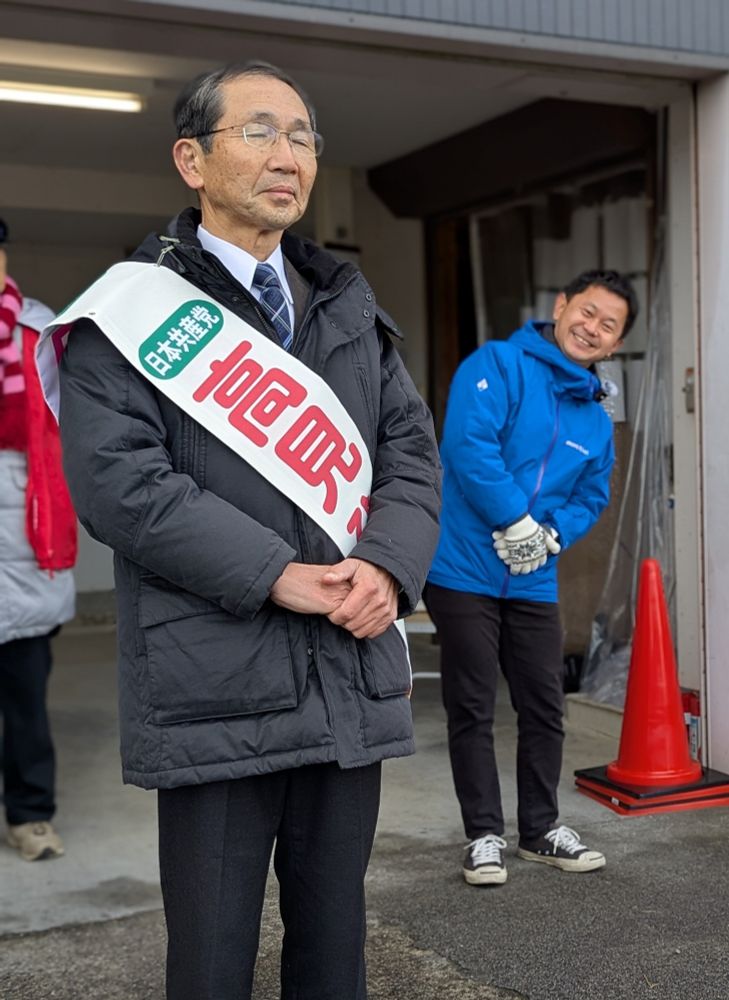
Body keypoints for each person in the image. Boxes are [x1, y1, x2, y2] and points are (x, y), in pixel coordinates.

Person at [51, 62, 440, 999]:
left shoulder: (347, 304)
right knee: (213, 961)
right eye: (260, 132)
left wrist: (385, 569)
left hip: (347, 677)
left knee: (333, 946)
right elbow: (121, 487)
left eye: (304, 137)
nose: (289, 156)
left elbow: (411, 455)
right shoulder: (128, 315)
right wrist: (281, 574)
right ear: (191, 158)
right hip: (212, 691)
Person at [424, 270, 638, 887]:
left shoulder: (596, 418)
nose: (591, 329)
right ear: (561, 304)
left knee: (544, 706)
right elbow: (469, 445)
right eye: (587, 312)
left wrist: (549, 537)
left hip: (533, 575)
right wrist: (514, 520)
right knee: (471, 705)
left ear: (615, 343)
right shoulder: (498, 363)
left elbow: (592, 494)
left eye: (608, 326)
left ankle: (540, 829)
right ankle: (483, 835)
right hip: (464, 567)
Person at [0, 240, 77, 861]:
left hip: (26, 531)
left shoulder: (37, 331)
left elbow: (65, 423)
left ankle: (29, 814)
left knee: (25, 695)